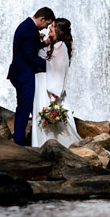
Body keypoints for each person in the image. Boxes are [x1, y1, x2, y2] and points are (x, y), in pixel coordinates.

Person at [7, 7, 54, 145]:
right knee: (24, 108)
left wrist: (44, 43)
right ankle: (19, 141)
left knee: (27, 107)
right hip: (23, 75)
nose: (46, 28)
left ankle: (29, 138)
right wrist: (51, 67)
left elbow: (29, 48)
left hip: (21, 73)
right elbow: (30, 56)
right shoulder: (30, 29)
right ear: (42, 19)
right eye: (47, 24)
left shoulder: (27, 26)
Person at [32, 17, 79, 148]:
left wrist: (53, 96)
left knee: (49, 121)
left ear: (58, 30)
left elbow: (58, 71)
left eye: (52, 26)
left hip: (49, 90)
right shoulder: (55, 45)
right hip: (43, 85)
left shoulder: (60, 46)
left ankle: (50, 146)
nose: (49, 28)